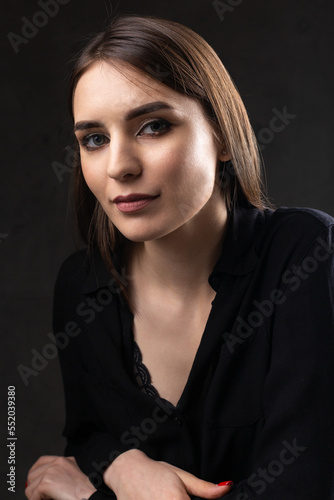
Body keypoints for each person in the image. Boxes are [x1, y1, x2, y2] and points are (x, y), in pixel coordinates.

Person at [25, 13, 334, 500]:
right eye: (95, 139)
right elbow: (89, 437)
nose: (119, 167)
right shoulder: (81, 285)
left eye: (153, 126)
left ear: (224, 136)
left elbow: (305, 486)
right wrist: (123, 464)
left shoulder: (304, 253)